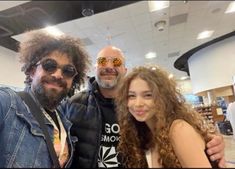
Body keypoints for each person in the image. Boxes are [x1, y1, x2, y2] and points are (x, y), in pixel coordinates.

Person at [64, 46, 226, 168]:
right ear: (95, 68)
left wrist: (211, 146)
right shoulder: (73, 105)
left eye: (116, 62)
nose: (109, 66)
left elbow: (185, 139)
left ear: (124, 70)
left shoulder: (145, 116)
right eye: (102, 61)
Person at [0, 29, 90, 168]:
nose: (58, 74)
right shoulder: (8, 104)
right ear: (31, 71)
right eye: (49, 65)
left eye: (68, 70)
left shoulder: (64, 121)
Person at [115, 66, 224, 168]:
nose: (138, 103)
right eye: (132, 96)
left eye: (148, 95)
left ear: (163, 98)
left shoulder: (178, 130)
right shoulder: (144, 134)